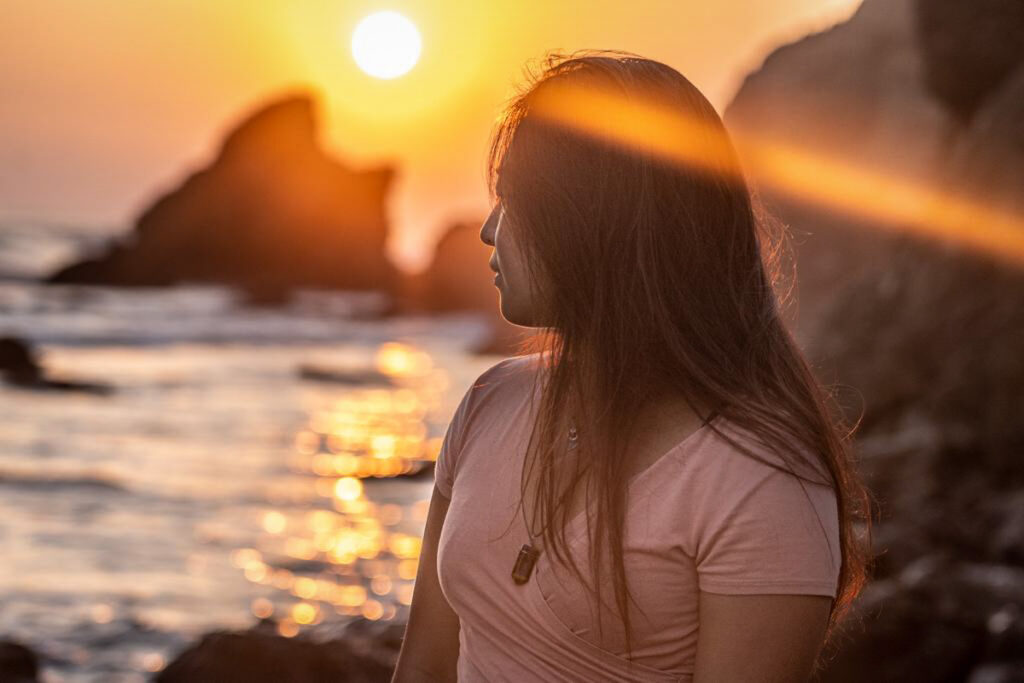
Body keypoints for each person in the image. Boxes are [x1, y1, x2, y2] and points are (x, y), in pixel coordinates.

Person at [392, 49, 872, 682]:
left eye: (514, 200)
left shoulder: (758, 478)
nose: (487, 230)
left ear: (597, 223)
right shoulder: (489, 404)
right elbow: (424, 668)